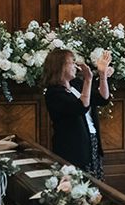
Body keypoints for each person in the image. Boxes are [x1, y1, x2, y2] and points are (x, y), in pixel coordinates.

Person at [42, 48, 112, 180]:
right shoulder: (54, 93)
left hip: (91, 141)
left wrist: (102, 75)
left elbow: (103, 99)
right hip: (72, 147)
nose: (75, 66)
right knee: (78, 186)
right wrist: (88, 80)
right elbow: (81, 107)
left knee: (95, 186)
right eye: (71, 63)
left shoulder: (77, 84)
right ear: (60, 66)